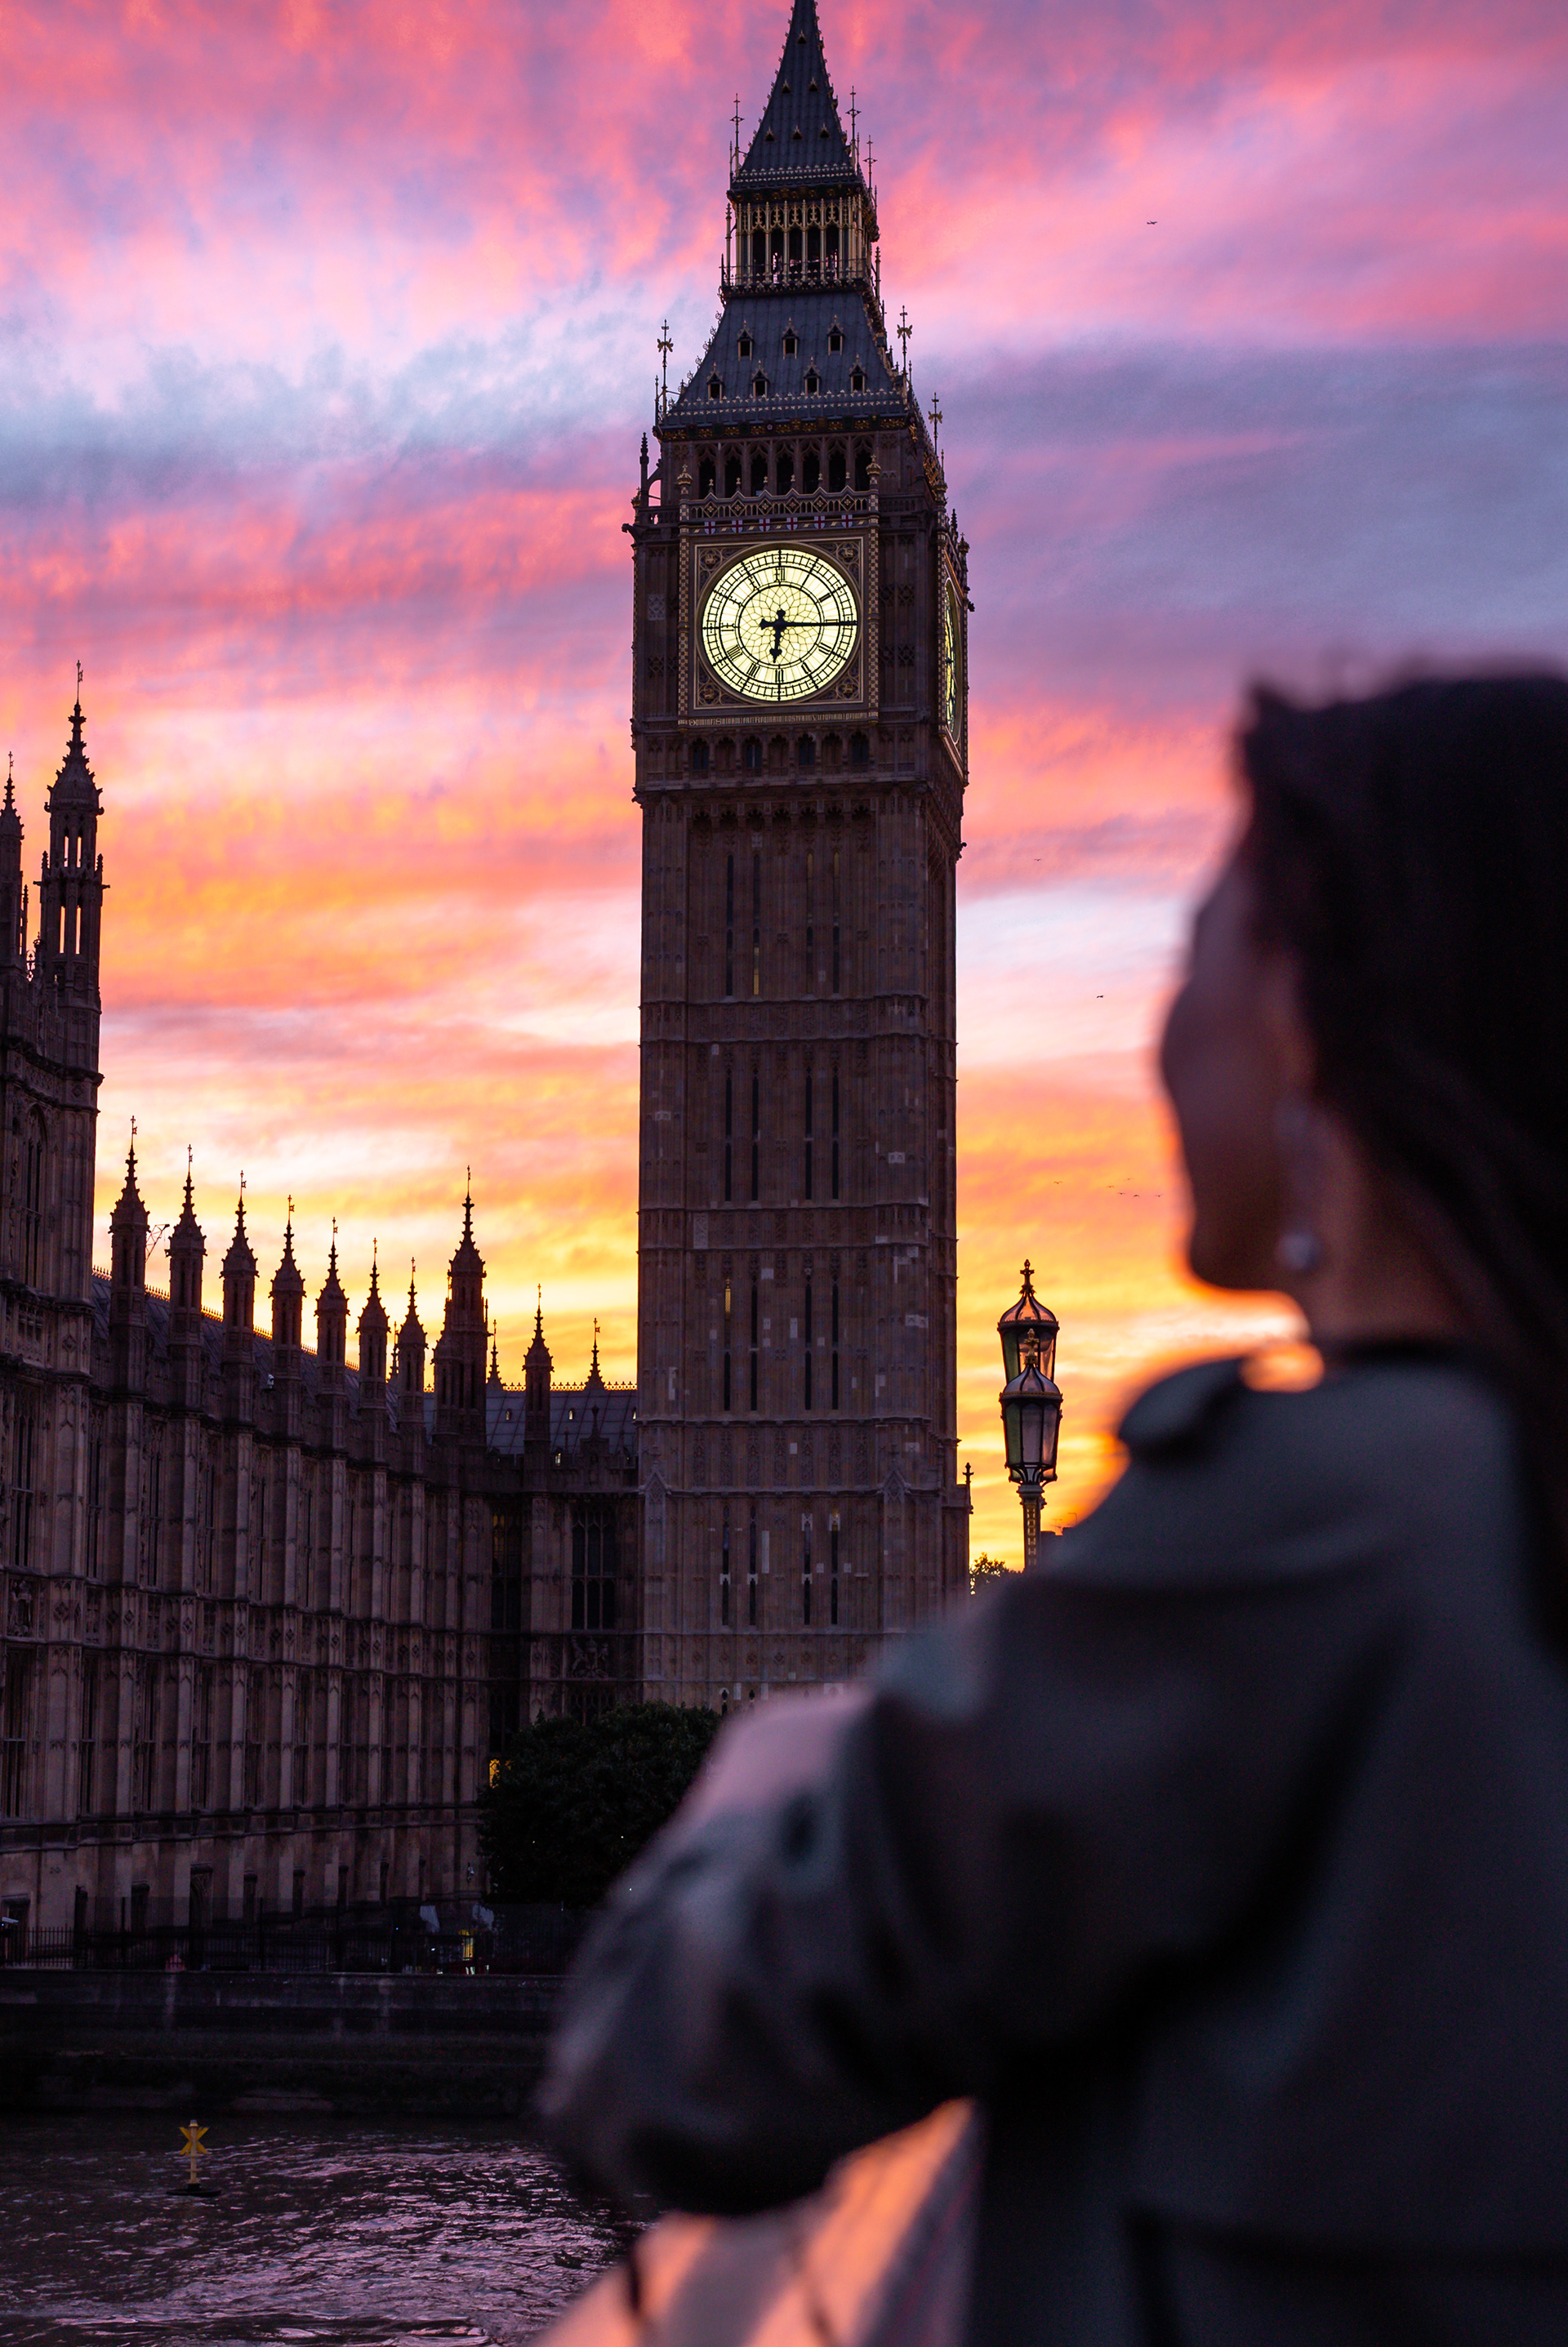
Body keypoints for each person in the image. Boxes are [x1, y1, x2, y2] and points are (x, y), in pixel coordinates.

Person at [541, 674, 1568, 2343]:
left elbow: (669, 2060)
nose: (1165, 1022)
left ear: (1319, 1024)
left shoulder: (1303, 1526)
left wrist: (773, 1771)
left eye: (1199, 950)